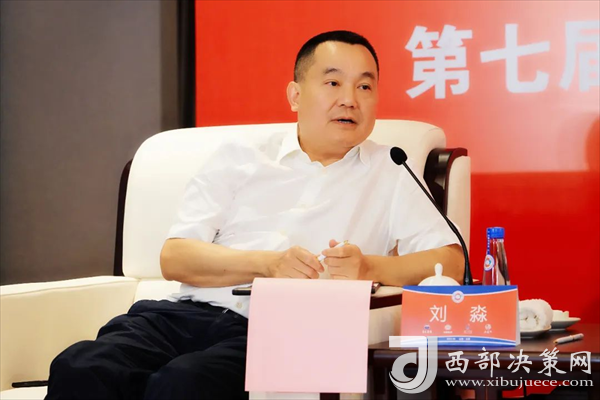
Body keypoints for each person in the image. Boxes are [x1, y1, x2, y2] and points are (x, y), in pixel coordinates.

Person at [46, 30, 464, 400]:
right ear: (295, 95)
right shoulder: (240, 158)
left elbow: (450, 262)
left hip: (283, 331)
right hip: (181, 315)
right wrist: (268, 264)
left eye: (365, 86)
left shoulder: (391, 169)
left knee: (185, 383)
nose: (349, 99)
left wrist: (368, 268)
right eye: (333, 82)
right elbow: (175, 258)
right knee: (81, 366)